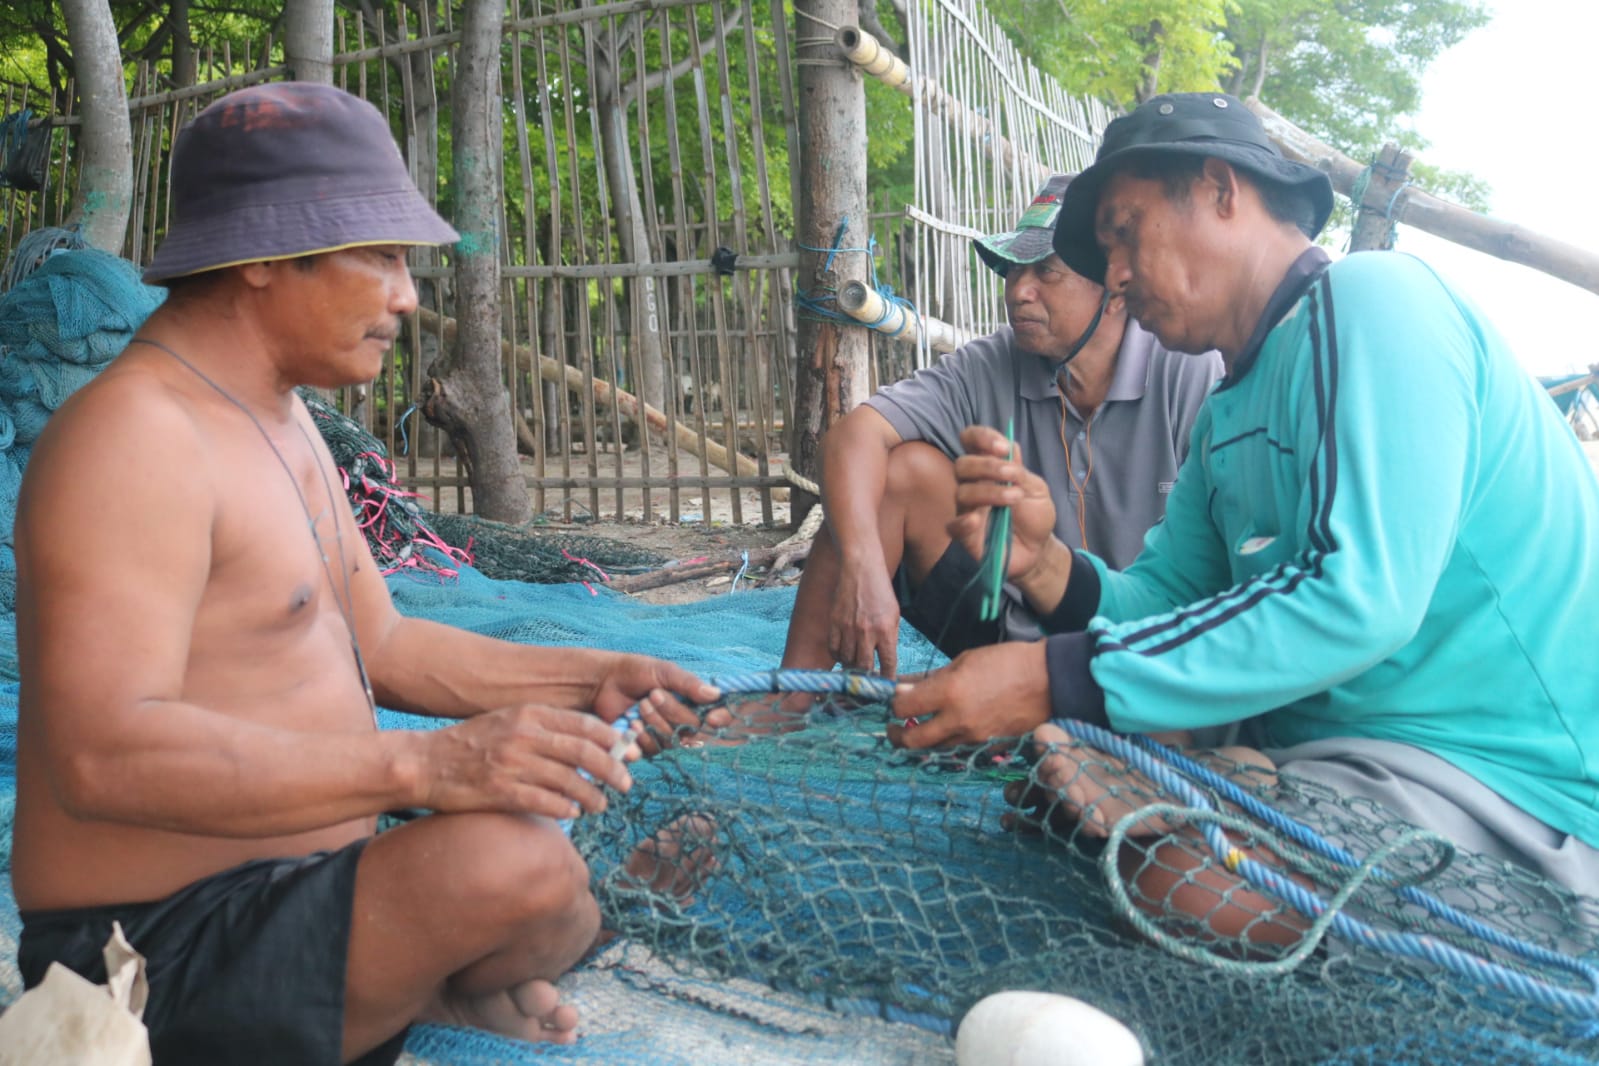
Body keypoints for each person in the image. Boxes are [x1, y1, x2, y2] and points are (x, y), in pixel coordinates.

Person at [11, 82, 722, 1066]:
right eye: (382, 256)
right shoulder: (135, 437)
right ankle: (441, 992)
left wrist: (593, 673)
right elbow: (103, 755)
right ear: (263, 255)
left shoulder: (282, 415)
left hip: (300, 884)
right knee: (515, 866)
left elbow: (382, 642)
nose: (407, 296)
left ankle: (433, 991)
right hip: (148, 952)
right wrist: (428, 764)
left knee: (541, 871)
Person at [892, 92, 1599, 941]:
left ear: (1222, 189)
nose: (1114, 274)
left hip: (1511, 792)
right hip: (1346, 768)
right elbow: (1169, 597)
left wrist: (1049, 678)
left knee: (1175, 881)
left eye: (1124, 232)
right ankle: (1242, 784)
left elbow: (1357, 596)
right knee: (1061, 815)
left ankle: (1244, 792)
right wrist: (1045, 567)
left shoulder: (1376, 300)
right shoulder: (1229, 409)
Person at [781, 174, 1222, 678]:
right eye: (1012, 270)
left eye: (1046, 271)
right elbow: (853, 436)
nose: (1019, 291)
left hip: (1152, 644)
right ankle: (791, 700)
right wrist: (863, 571)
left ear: (1116, 288)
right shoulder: (993, 361)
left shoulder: (1191, 371)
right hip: (1014, 629)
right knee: (898, 473)